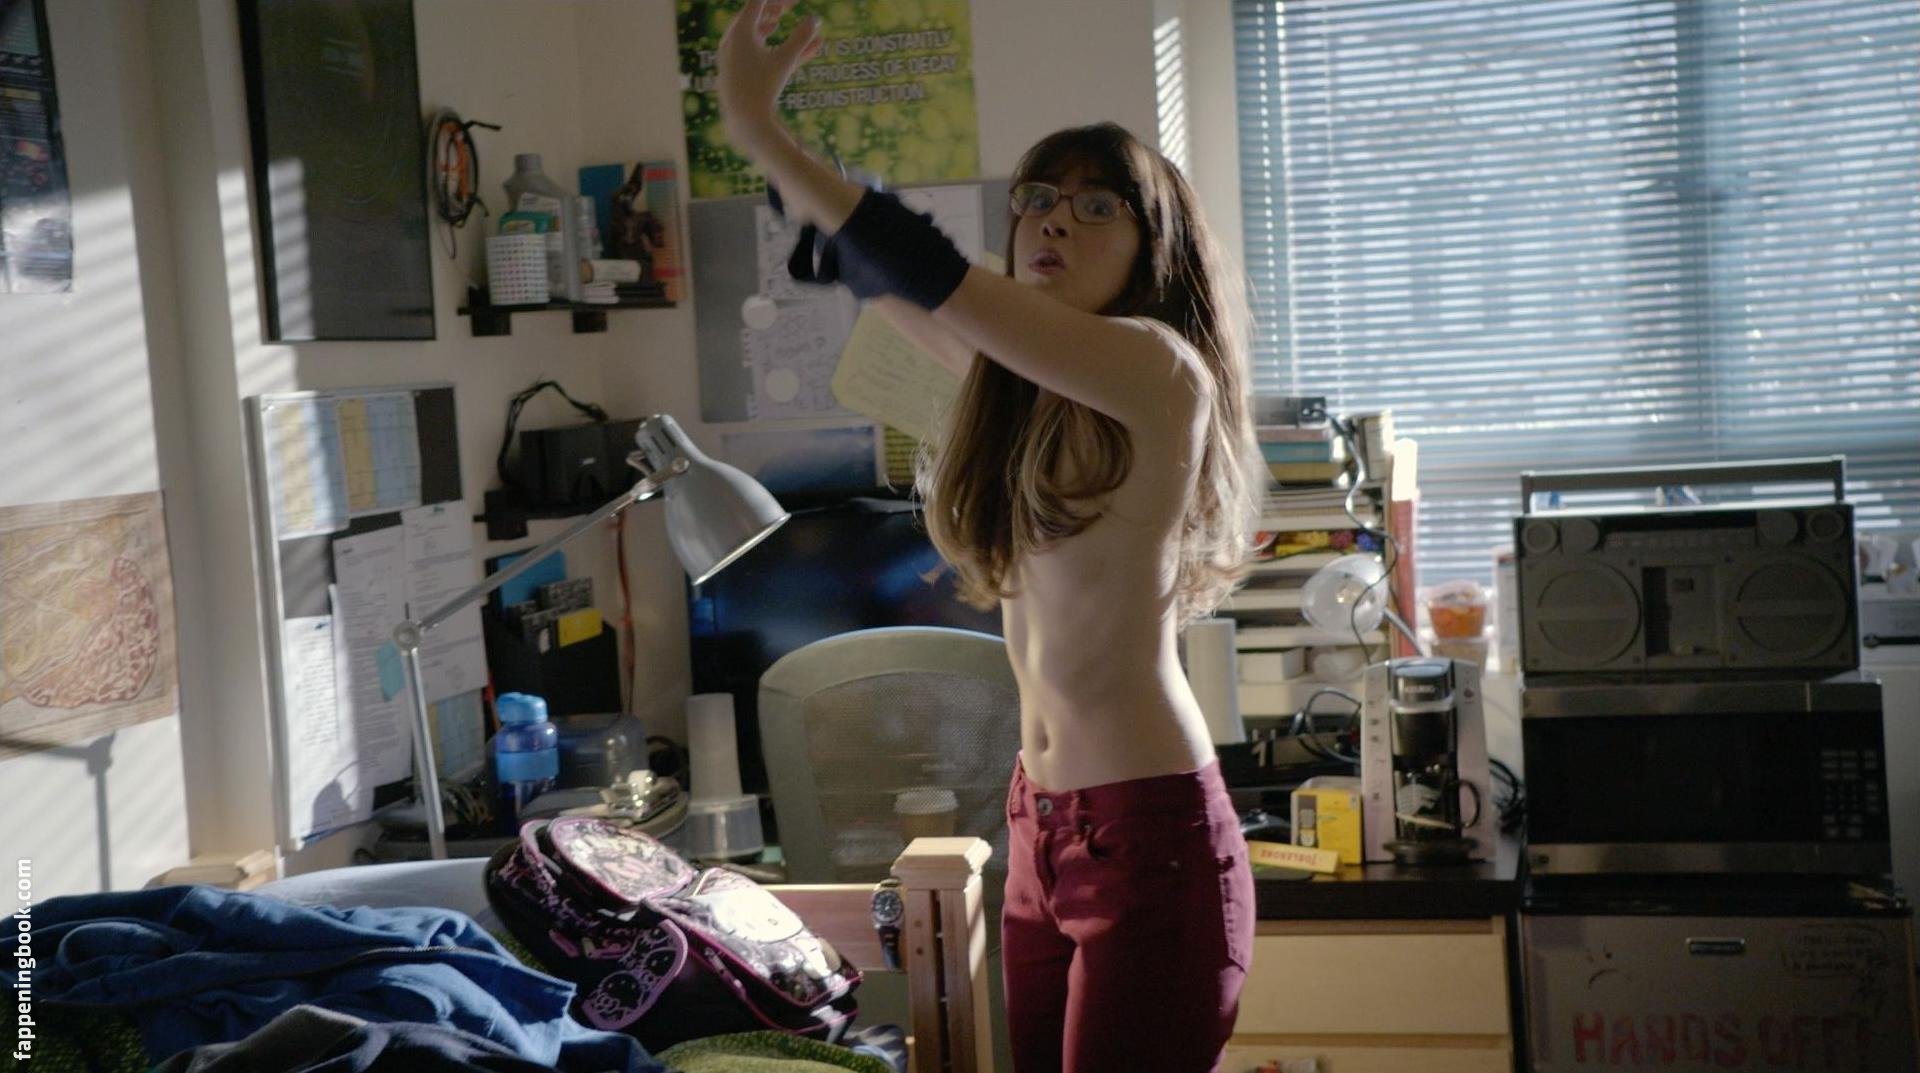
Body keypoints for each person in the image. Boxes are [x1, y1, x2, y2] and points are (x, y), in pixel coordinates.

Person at [716, 4, 1261, 1070]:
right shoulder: (1024, 382)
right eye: (1038, 198)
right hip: (1039, 825)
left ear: (1154, 247)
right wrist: (789, 168)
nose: (1055, 221)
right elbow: (881, 274)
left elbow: (925, 267)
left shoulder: (1158, 367)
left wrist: (756, 125)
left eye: (1097, 205)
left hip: (1146, 832)